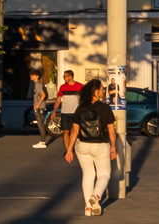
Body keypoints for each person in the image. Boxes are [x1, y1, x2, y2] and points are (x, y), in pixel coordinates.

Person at [63, 78, 116, 216]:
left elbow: (74, 131)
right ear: (96, 92)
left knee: (88, 174)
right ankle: (96, 196)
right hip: (100, 145)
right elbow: (111, 131)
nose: (103, 91)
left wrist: (69, 149)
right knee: (104, 174)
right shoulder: (105, 108)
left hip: (82, 146)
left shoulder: (80, 108)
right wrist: (113, 148)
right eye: (102, 89)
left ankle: (88, 208)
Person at [30, 71, 53, 149]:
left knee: (41, 125)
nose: (31, 76)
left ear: (37, 76)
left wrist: (37, 105)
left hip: (39, 108)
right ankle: (42, 141)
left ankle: (43, 142)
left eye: (32, 75)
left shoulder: (37, 84)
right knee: (41, 124)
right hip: (40, 107)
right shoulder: (38, 84)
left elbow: (43, 95)